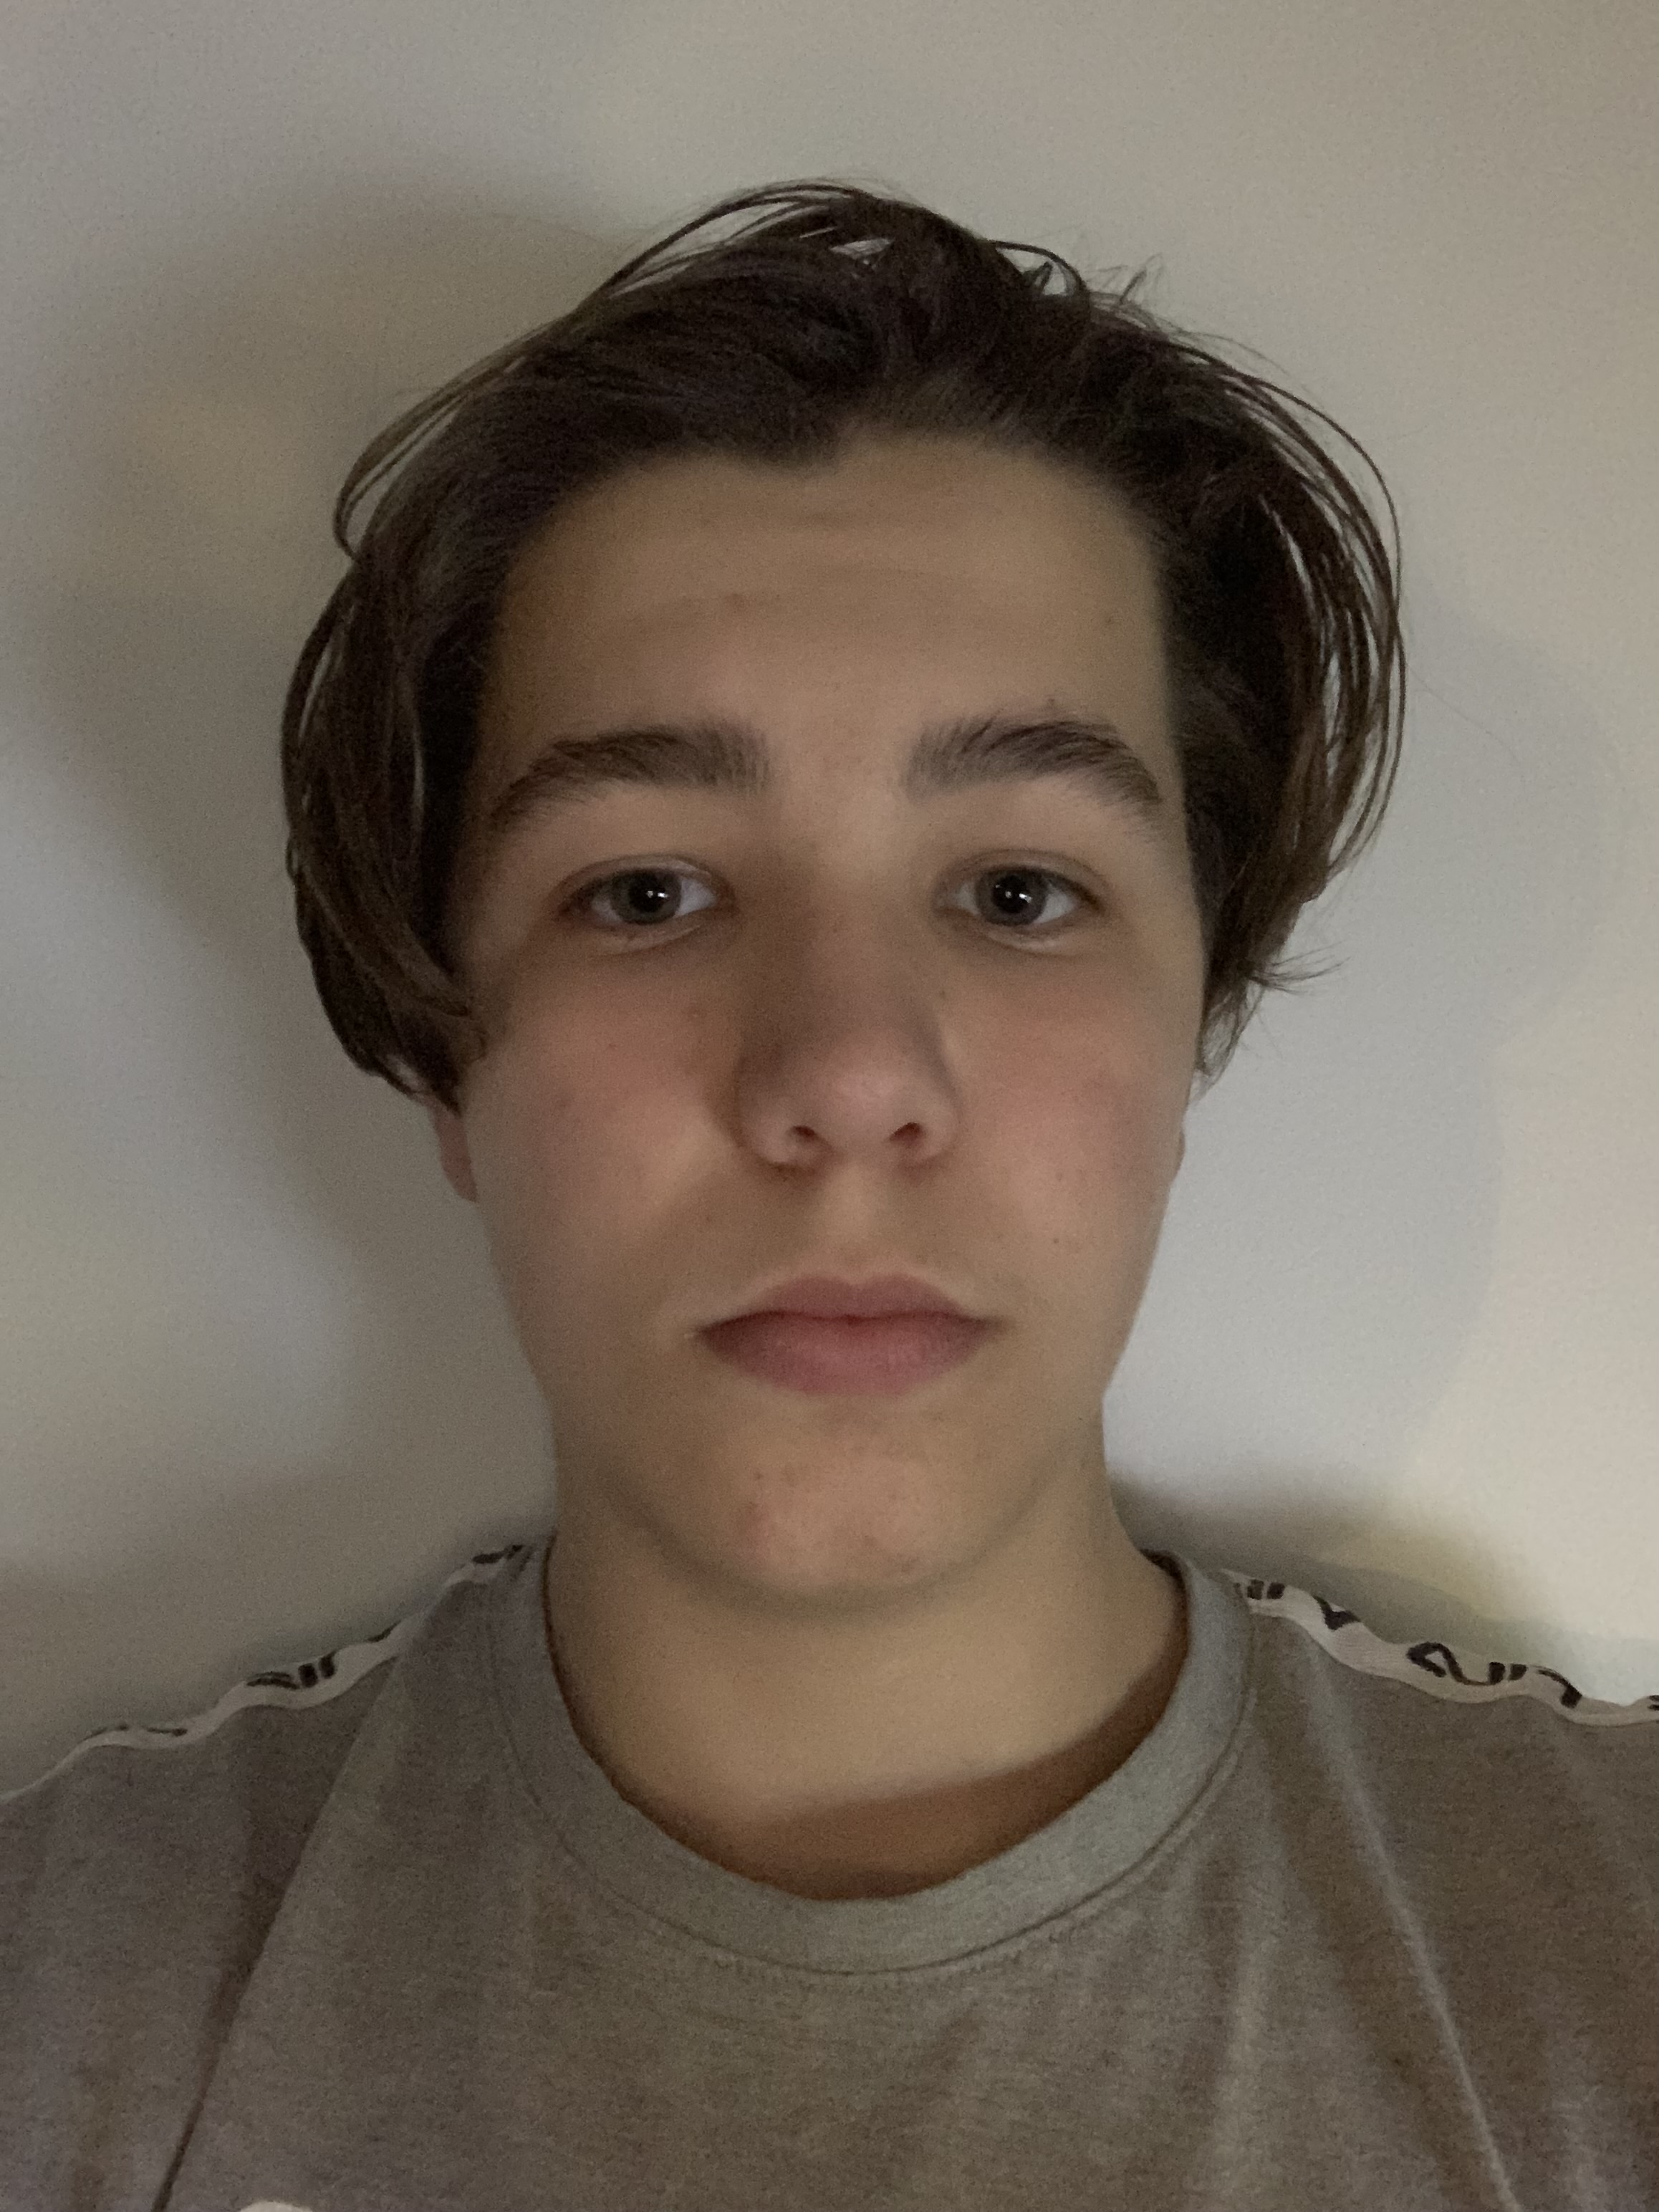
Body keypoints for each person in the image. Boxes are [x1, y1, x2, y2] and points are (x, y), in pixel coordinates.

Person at [1, 179, 1653, 2212]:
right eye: (646, 891)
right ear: (447, 1054)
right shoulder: (63, 1989)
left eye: (1019, 891)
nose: (848, 1075)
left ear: (1193, 1025)